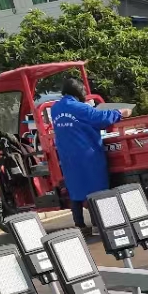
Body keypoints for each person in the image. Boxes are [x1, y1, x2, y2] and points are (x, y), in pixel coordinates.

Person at [49, 76, 131, 230]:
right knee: (96, 188)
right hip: (87, 154)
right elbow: (101, 119)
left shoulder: (55, 109)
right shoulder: (81, 108)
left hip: (67, 156)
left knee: (75, 188)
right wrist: (121, 112)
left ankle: (80, 225)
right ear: (79, 91)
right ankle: (98, 224)